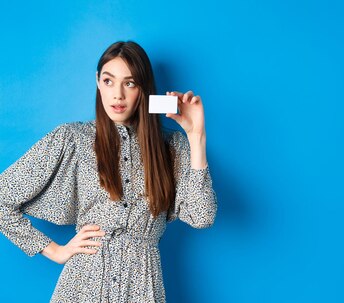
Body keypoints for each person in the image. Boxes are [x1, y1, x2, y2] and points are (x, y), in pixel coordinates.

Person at [0, 41, 218, 302]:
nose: (118, 95)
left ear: (144, 89)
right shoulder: (73, 139)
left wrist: (196, 136)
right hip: (84, 285)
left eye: (130, 83)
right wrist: (55, 251)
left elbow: (202, 216)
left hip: (143, 287)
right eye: (108, 81)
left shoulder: (171, 147)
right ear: (97, 81)